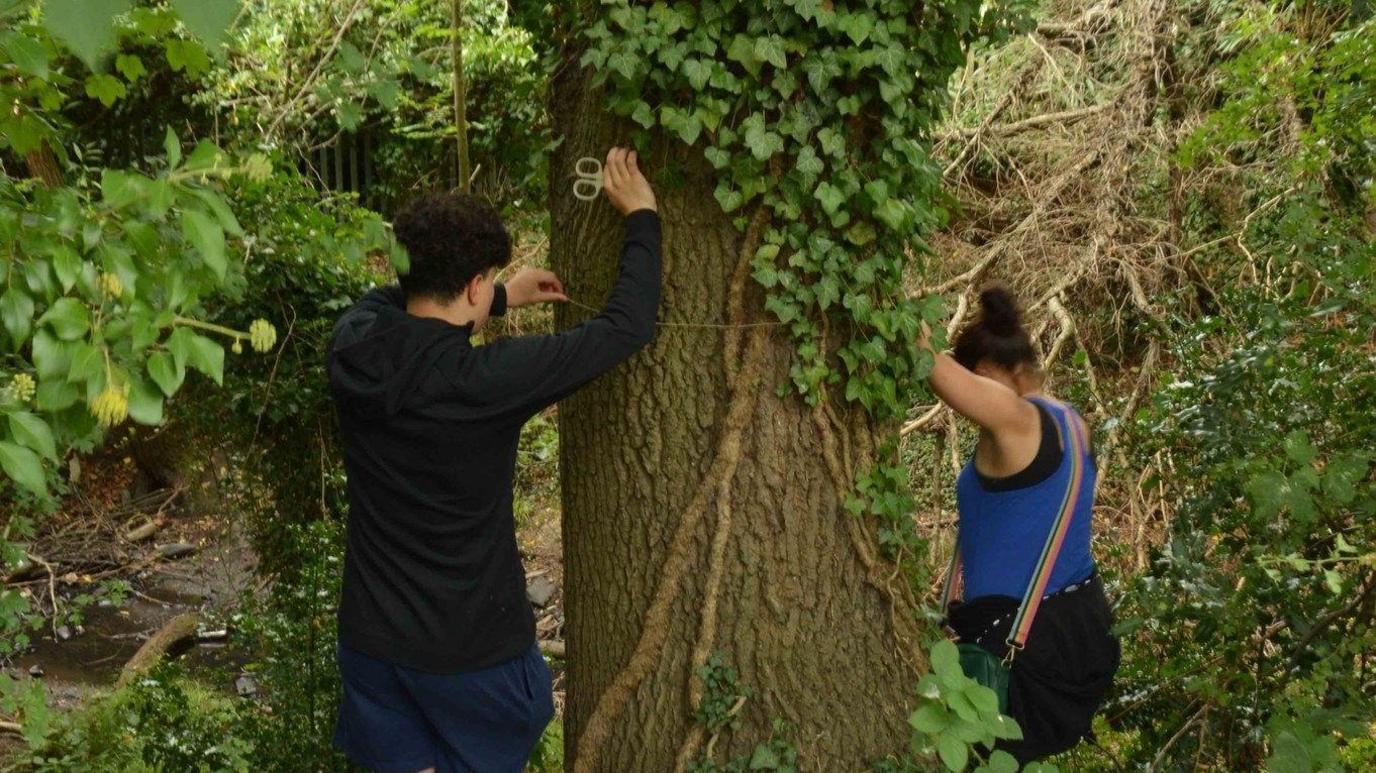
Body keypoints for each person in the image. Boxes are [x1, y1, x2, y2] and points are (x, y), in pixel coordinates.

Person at [325, 148, 660, 773]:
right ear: (474, 282)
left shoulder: (354, 341)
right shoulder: (485, 380)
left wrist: (499, 295)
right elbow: (626, 326)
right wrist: (642, 216)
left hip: (372, 645)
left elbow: (392, 298)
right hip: (471, 655)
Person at [920, 286, 1120, 762]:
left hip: (1024, 644)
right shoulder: (1072, 422)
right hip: (1083, 623)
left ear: (988, 375)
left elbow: (929, 362)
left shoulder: (1015, 419)